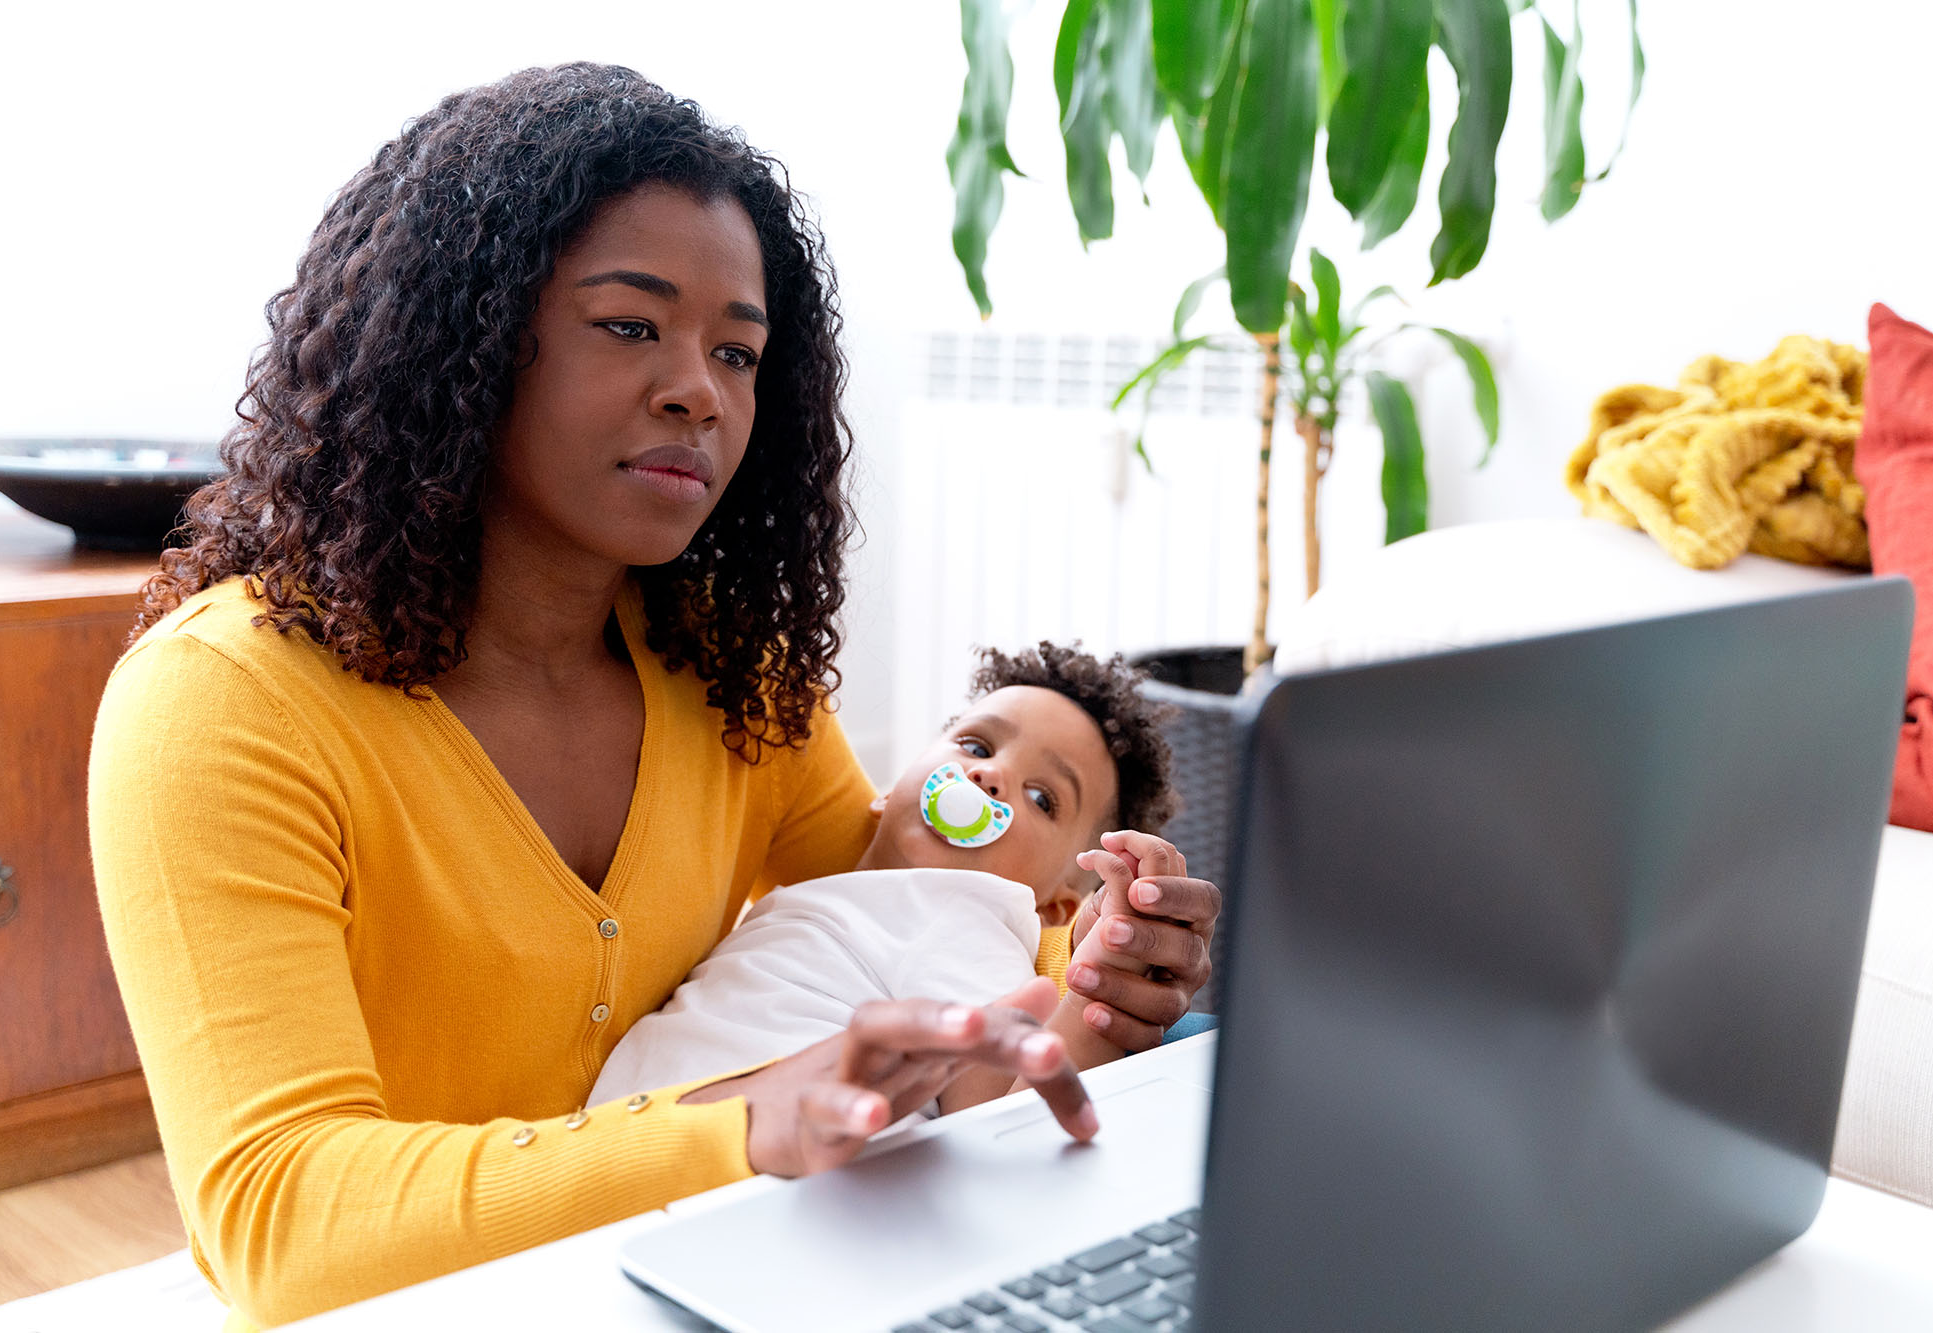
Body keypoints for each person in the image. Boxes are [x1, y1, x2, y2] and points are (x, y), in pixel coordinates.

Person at [86, 63, 1219, 1330]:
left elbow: (896, 890)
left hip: (686, 1280)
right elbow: (280, 1220)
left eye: (737, 351)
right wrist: (742, 1119)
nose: (702, 391)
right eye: (631, 326)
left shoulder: (728, 672)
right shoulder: (222, 705)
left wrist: (1090, 967)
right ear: (458, 336)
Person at [589, 641, 1184, 1113]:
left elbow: (1003, 1115)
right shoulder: (856, 897)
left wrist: (1102, 983)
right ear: (888, 791)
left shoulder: (966, 914)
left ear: (1053, 908)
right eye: (976, 746)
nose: (991, 776)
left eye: (1042, 798)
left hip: (738, 1175)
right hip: (648, 1154)